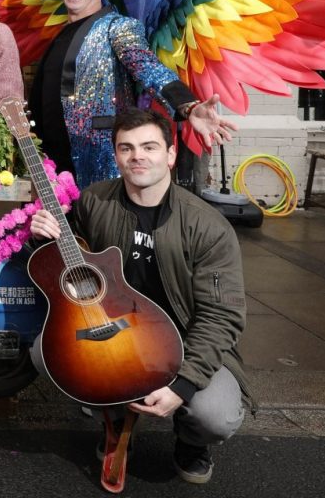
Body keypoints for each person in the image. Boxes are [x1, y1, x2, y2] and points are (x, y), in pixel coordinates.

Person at [29, 108, 247, 485]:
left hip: (185, 339)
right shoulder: (95, 202)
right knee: (44, 352)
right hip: (119, 330)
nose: (137, 157)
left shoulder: (207, 226)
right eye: (126, 148)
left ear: (171, 154)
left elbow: (221, 317)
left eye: (149, 147)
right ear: (115, 155)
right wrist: (42, 238)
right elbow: (69, 261)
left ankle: (190, 443)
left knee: (216, 415)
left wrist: (182, 385)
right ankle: (114, 419)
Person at [30, 0, 237, 186]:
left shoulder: (118, 27)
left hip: (99, 162)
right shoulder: (60, 34)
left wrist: (188, 106)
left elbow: (149, 68)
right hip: (54, 166)